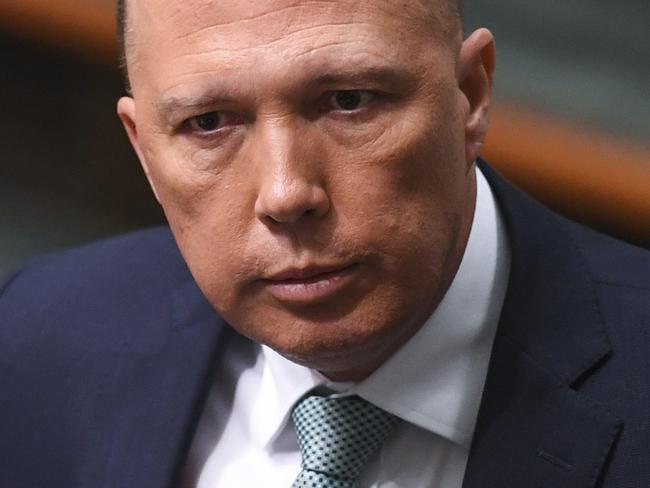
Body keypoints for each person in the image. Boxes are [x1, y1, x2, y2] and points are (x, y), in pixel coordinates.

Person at [1, 0, 649, 487]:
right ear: (143, 148)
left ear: (471, 94)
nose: (286, 193)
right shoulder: (34, 340)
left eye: (348, 101)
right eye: (208, 123)